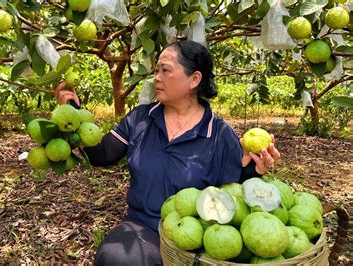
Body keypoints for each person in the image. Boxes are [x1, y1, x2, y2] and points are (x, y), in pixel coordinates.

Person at [54, 40, 280, 265]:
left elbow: (233, 195)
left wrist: (253, 170)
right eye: (156, 71)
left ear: (194, 79)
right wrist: (74, 115)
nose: (157, 78)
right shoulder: (140, 119)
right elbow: (101, 154)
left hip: (198, 235)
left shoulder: (219, 134)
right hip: (142, 226)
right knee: (116, 258)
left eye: (166, 70)